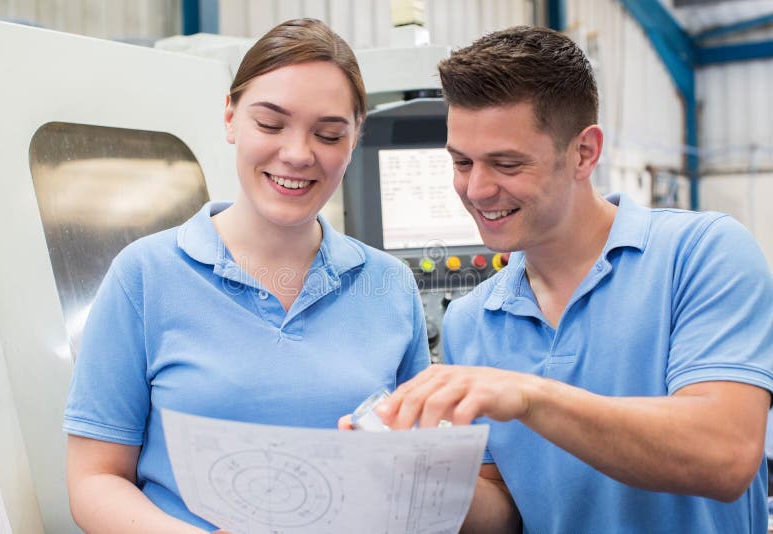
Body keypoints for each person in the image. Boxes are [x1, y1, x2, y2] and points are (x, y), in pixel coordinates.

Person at [372, 26, 773, 533]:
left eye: (507, 163)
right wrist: (413, 473)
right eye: (461, 162)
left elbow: (724, 455)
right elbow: (505, 513)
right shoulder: (473, 322)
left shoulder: (701, 255)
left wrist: (531, 396)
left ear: (584, 152)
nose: (476, 188)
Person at [64, 18, 429, 533]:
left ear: (354, 140)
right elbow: (94, 480)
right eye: (271, 124)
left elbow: (417, 473)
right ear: (231, 118)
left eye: (327, 134)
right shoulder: (145, 276)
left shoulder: (389, 284)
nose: (298, 154)